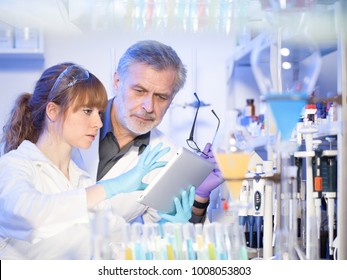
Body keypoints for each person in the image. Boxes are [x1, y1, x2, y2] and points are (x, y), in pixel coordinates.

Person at [0, 62, 192, 259]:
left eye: (99, 113)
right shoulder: (13, 166)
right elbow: (29, 217)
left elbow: (120, 248)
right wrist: (110, 187)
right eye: (87, 111)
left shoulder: (81, 181)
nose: (98, 123)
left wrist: (167, 230)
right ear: (53, 111)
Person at [75, 40, 223, 224]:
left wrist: (199, 195)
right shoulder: (72, 121)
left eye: (161, 97)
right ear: (117, 81)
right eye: (139, 91)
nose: (149, 106)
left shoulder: (168, 157)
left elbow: (163, 239)